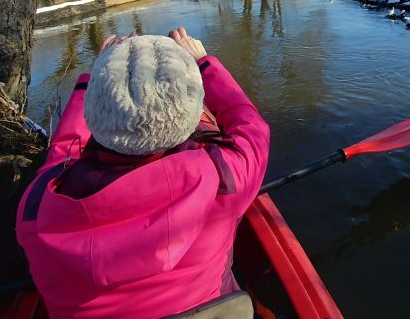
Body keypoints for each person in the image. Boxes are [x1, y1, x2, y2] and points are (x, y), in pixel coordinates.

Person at [16, 27, 270, 318]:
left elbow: (64, 150)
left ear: (94, 112)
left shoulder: (36, 208)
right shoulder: (223, 181)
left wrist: (96, 77)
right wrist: (204, 62)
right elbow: (252, 127)